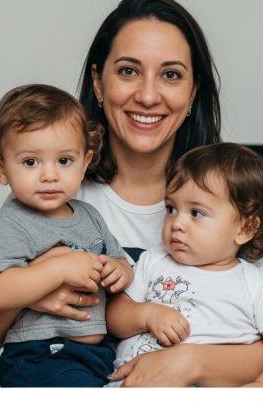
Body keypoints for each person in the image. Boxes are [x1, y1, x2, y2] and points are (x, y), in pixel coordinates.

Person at [0, 0, 263, 386]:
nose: (149, 95)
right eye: (128, 71)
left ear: (193, 92)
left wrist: (193, 363)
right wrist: (36, 286)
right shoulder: (55, 195)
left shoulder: (237, 194)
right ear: (98, 83)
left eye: (171, 74)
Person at [0, 84, 132, 386]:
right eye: (31, 162)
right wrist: (57, 269)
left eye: (64, 161)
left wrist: (120, 271)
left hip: (96, 355)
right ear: (0, 167)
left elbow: (119, 261)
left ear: (85, 162)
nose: (49, 175)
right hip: (41, 356)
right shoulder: (10, 224)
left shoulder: (89, 216)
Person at [107, 143, 263, 384]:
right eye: (171, 208)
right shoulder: (154, 260)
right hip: (130, 383)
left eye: (196, 213)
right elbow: (114, 318)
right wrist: (147, 314)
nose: (177, 223)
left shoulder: (254, 283)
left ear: (246, 228)